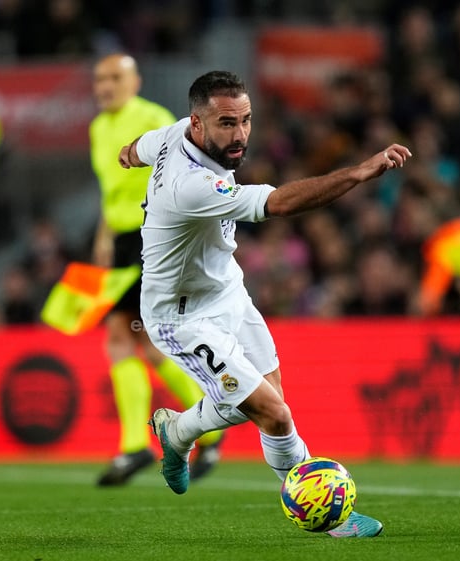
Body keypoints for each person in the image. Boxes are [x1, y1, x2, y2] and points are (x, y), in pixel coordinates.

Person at [118, 70, 412, 537]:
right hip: (181, 315)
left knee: (267, 404)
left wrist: (130, 155)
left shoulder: (173, 134)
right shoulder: (191, 184)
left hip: (228, 292)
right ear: (198, 124)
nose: (240, 135)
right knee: (274, 412)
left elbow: (131, 150)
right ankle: (327, 518)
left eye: (246, 120)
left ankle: (177, 433)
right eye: (227, 124)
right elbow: (279, 203)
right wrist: (357, 172)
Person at [90, 53, 224, 486]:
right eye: (99, 79)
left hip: (154, 237)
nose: (105, 86)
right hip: (125, 242)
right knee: (141, 342)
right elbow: (111, 194)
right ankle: (210, 421)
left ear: (135, 81)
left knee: (123, 337)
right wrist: (103, 238)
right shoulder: (98, 128)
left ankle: (135, 445)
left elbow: (185, 175)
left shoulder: (154, 117)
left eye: (114, 78)